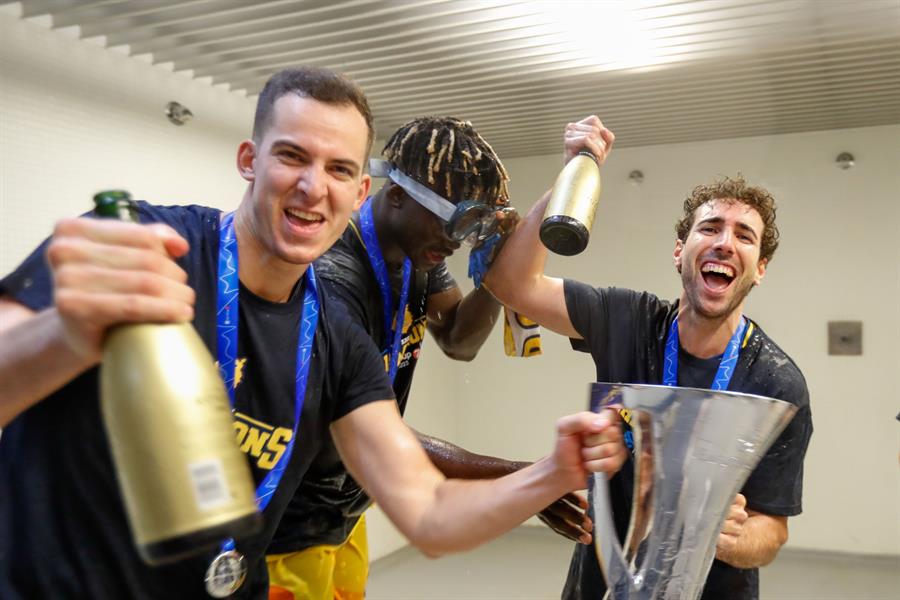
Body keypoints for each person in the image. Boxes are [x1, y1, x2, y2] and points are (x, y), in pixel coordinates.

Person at [0, 69, 626, 600]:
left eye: (338, 169)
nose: (311, 187)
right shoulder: (143, 246)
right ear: (250, 160)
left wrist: (551, 472)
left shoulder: (333, 330)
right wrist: (64, 334)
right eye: (292, 156)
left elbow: (429, 513)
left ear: (358, 191)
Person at [485, 116, 813, 600]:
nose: (725, 242)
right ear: (680, 250)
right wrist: (573, 174)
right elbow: (510, 284)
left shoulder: (776, 381)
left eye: (745, 235)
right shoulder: (627, 320)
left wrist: (733, 537)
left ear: (760, 269)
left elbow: (774, 528)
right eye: (710, 228)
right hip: (599, 587)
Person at [265, 117, 590, 600]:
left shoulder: (417, 255)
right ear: (397, 196)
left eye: (473, 225)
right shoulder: (333, 275)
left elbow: (459, 338)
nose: (459, 241)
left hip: (346, 509)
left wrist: (507, 267)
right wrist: (523, 478)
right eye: (454, 221)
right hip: (286, 526)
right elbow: (370, 435)